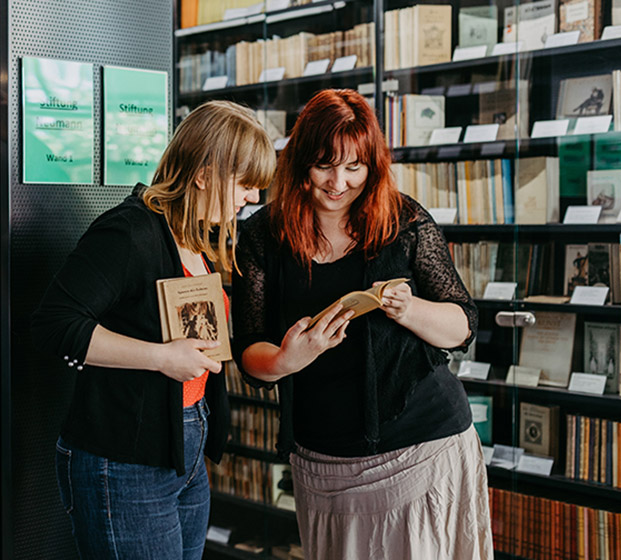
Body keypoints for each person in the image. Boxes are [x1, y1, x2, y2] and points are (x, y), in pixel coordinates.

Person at [233, 89, 493, 560]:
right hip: (323, 457)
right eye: (324, 165)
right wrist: (289, 358)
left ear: (373, 166)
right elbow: (249, 352)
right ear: (297, 164)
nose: (339, 182)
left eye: (355, 167)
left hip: (422, 446)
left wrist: (409, 310)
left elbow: (462, 324)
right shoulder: (261, 235)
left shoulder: (404, 220)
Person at [32, 100, 275, 560]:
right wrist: (162, 357)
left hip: (184, 450)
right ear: (204, 173)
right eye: (244, 184)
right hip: (124, 459)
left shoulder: (196, 236)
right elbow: (54, 325)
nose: (253, 199)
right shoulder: (128, 232)